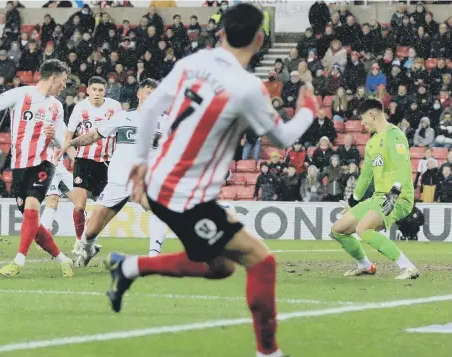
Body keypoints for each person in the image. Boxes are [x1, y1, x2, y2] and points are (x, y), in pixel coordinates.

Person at [105, 4, 319, 357]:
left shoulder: (193, 62)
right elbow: (281, 138)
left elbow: (152, 106)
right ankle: (269, 352)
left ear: (220, 32)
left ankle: (128, 267)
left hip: (166, 182)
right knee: (262, 261)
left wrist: (141, 162)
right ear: (261, 38)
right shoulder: (247, 87)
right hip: (182, 196)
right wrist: (309, 107)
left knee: (221, 267)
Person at [0, 59, 74, 278]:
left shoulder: (57, 106)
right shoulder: (21, 94)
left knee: (31, 208)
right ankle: (63, 259)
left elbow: (62, 140)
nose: (65, 86)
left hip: (44, 163)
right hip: (19, 166)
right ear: (54, 77)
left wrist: (55, 138)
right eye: (64, 81)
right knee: (33, 224)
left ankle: (18, 261)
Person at [59, 78, 170, 265]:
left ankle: (153, 257)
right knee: (91, 230)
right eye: (148, 92)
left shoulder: (165, 121)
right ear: (139, 94)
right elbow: (94, 135)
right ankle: (88, 249)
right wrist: (71, 142)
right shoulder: (123, 117)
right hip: (117, 182)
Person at [333, 98, 419, 280]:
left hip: (398, 197)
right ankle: (365, 265)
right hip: (378, 197)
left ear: (372, 114)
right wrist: (352, 201)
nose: (362, 123)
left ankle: (407, 267)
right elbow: (365, 176)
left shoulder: (394, 135)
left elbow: (403, 169)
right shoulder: (372, 143)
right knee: (338, 229)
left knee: (363, 229)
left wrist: (393, 195)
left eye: (363, 118)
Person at [65, 76, 122, 257]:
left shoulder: (115, 107)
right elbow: (68, 137)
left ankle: (88, 243)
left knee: (101, 211)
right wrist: (75, 158)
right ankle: (78, 241)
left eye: (101, 90)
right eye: (94, 89)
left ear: (105, 92)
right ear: (87, 90)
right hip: (84, 162)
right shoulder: (80, 108)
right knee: (79, 206)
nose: (97, 93)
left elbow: (121, 134)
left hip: (107, 164)